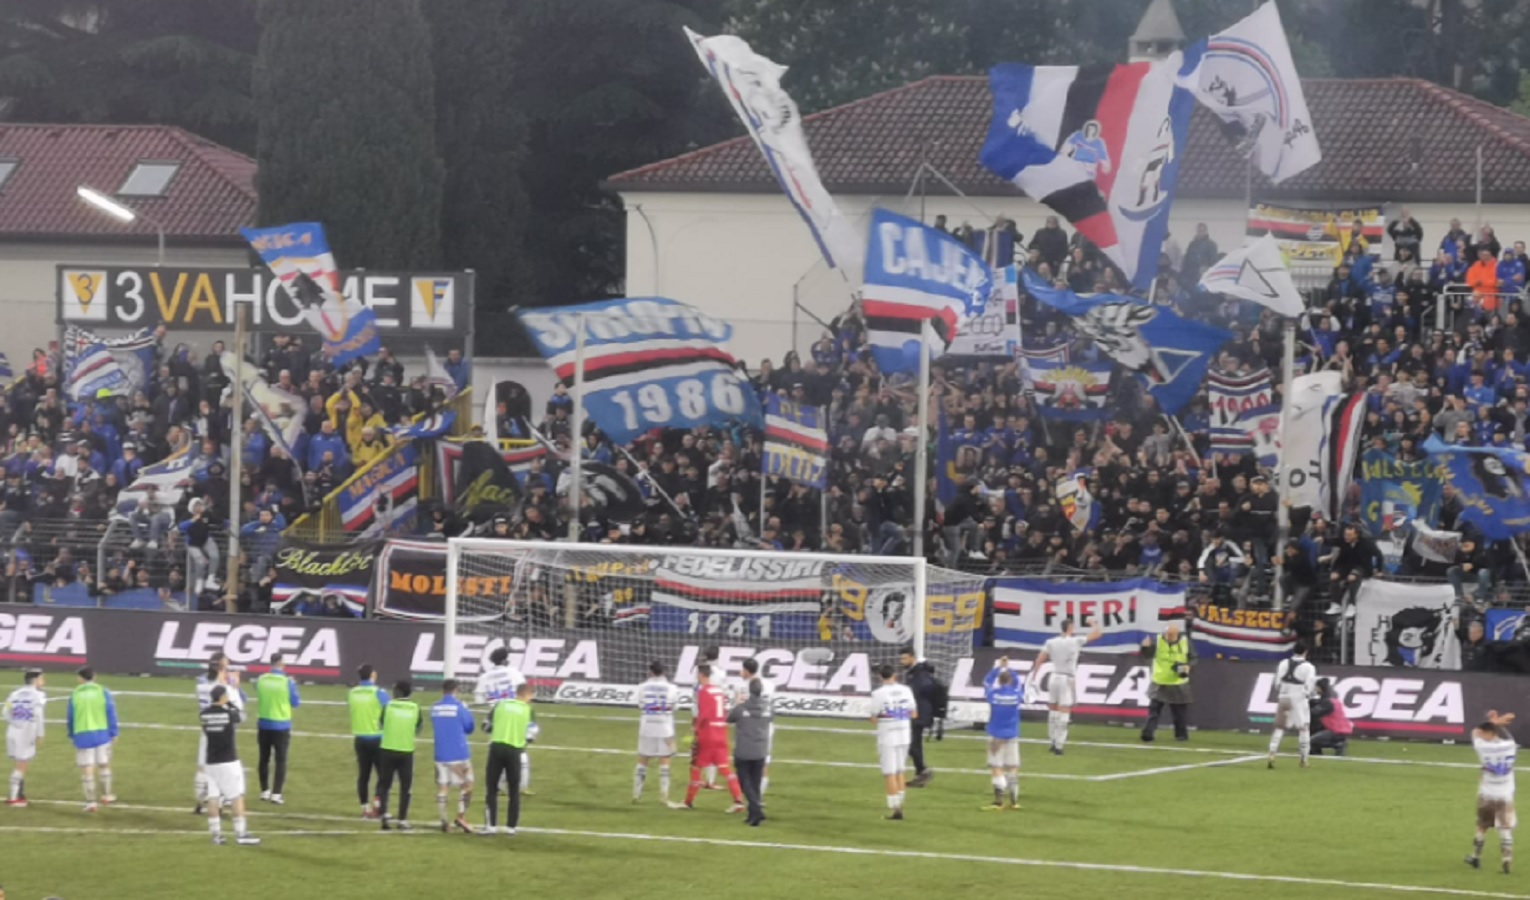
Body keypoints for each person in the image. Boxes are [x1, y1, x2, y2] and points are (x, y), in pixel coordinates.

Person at [1029, 617, 1102, 755]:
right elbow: (1097, 634)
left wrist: (1033, 677)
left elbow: (1039, 659)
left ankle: (1052, 740)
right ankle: (1059, 745)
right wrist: (1093, 623)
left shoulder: (1051, 642)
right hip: (1066, 678)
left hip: (1054, 676)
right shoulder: (1075, 641)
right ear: (1070, 628)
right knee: (1064, 711)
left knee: (1053, 710)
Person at [198, 685, 260, 846]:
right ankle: (241, 834)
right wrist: (231, 703)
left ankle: (216, 836)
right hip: (228, 761)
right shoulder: (229, 713)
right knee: (236, 796)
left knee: (213, 798)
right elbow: (242, 716)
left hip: (210, 761)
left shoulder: (203, 715)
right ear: (223, 697)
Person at [677, 664, 744, 812]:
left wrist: (696, 731)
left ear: (701, 675)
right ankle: (738, 801)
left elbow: (704, 716)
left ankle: (688, 801)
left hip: (708, 735)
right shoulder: (719, 691)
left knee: (695, 767)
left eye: (697, 674)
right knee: (725, 768)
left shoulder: (703, 692)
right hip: (721, 732)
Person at [474, 646, 531, 798]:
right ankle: (520, 786)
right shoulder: (514, 673)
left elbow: (479, 700)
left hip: (496, 716)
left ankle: (498, 785)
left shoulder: (484, 677)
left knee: (497, 751)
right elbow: (524, 692)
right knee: (519, 749)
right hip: (515, 715)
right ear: (505, 660)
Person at [1465, 710, 1517, 874]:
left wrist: (1493, 721)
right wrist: (1498, 723)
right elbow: (1505, 736)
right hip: (1505, 794)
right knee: (1505, 827)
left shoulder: (1481, 746)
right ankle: (1506, 860)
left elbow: (1475, 732)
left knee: (1482, 826)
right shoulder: (1510, 746)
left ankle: (1476, 857)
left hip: (1487, 793)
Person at [194, 654, 244, 815]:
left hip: (207, 729)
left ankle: (199, 802)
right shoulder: (224, 689)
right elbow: (239, 709)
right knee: (222, 767)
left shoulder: (200, 684)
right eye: (226, 667)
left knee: (203, 767)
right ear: (221, 669)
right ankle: (220, 803)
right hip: (223, 731)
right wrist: (235, 687)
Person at [484, 682, 535, 837]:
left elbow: (486, 726)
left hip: (497, 748)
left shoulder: (500, 704)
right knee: (514, 791)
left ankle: (490, 826)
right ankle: (511, 828)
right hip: (514, 751)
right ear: (528, 695)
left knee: (491, 789)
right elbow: (531, 735)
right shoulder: (528, 710)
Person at [67, 666, 118, 812]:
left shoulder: (75, 694)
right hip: (102, 733)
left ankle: (91, 803)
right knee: (104, 763)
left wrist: (71, 734)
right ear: (94, 677)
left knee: (87, 769)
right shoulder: (103, 691)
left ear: (80, 678)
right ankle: (107, 795)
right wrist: (114, 732)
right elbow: (110, 712)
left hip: (83, 734)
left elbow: (70, 717)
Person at [871, 663, 916, 820]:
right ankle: (900, 804)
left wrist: (887, 716)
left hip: (888, 736)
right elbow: (914, 713)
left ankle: (895, 809)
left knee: (889, 772)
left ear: (880, 676)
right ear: (894, 675)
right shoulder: (906, 690)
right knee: (900, 770)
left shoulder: (878, 694)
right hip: (904, 733)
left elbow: (874, 718)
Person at [431, 679, 476, 834]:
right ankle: (460, 817)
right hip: (458, 753)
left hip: (440, 754)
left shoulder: (435, 707)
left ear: (443, 690)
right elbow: (470, 728)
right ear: (456, 690)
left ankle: (444, 820)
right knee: (468, 785)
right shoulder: (459, 708)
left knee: (443, 787)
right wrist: (465, 710)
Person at [375, 680, 421, 832]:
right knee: (405, 787)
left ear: (399, 692)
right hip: (406, 751)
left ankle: (384, 816)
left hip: (387, 749)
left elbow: (381, 723)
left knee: (384, 785)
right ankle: (402, 819)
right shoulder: (415, 708)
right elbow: (418, 728)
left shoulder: (388, 706)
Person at [255, 653, 300, 804]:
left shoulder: (261, 679)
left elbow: (257, 689)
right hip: (281, 725)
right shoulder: (287, 682)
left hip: (263, 723)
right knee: (281, 760)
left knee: (263, 758)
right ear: (281, 663)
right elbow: (295, 703)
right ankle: (276, 794)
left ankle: (264, 791)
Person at [347, 664, 390, 818]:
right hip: (378, 738)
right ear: (372, 675)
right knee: (383, 775)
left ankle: (365, 808)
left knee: (363, 775)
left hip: (360, 739)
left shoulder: (352, 693)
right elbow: (389, 711)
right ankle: (378, 806)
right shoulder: (379, 692)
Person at [726, 678, 771, 827]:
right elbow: (770, 718)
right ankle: (753, 816)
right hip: (760, 750)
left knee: (745, 784)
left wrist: (737, 702)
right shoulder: (768, 707)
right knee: (756, 783)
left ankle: (756, 809)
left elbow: (729, 718)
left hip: (744, 751)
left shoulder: (741, 708)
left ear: (750, 691)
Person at [634, 661, 680, 806]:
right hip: (665, 728)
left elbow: (640, 705)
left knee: (643, 759)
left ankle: (636, 794)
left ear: (650, 672)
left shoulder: (642, 687)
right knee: (665, 761)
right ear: (664, 672)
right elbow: (675, 707)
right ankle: (664, 796)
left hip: (647, 726)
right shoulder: (672, 688)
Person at [1139, 623, 1194, 743]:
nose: (1168, 636)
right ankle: (1147, 734)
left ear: (1177, 634)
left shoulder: (1185, 642)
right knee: (1154, 711)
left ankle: (1181, 736)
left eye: (1171, 635)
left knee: (1179, 713)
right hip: (1160, 681)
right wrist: (1145, 647)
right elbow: (1147, 655)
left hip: (1178, 682)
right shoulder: (1157, 640)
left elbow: (1194, 658)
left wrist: (1188, 667)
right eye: (1167, 634)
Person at [981, 657, 1022, 811]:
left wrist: (999, 668)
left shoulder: (993, 694)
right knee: (1012, 766)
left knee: (996, 766)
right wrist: (1009, 668)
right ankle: (1014, 801)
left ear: (999, 680)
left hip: (996, 735)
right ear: (1010, 680)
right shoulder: (1016, 694)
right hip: (1012, 734)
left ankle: (999, 801)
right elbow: (1018, 682)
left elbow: (986, 681)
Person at [1268, 643, 1317, 768]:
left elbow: (1277, 682)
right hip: (1299, 699)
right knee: (1304, 728)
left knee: (1279, 727)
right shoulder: (1308, 667)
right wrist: (1308, 695)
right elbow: (1310, 685)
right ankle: (1304, 759)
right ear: (1305, 651)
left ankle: (1272, 754)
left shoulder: (1283, 663)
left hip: (1284, 697)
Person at [899, 647, 939, 787]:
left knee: (911, 744)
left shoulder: (920, 673)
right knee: (913, 744)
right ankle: (920, 774)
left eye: (904, 658)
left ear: (912, 657)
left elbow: (922, 691)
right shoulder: (915, 672)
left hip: (919, 713)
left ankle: (922, 770)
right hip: (916, 712)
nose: (902, 661)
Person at [4, 669, 45, 807]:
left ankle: (18, 794)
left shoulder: (14, 694)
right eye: (41, 679)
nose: (43, 681)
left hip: (12, 732)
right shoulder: (38, 695)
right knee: (22, 765)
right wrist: (40, 733)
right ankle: (13, 797)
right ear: (35, 681)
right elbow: (39, 715)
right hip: (26, 733)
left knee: (18, 763)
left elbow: (5, 711)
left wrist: (15, 722)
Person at [1308, 678, 1352, 757]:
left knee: (1310, 741)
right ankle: (1318, 752)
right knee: (1315, 735)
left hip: (1335, 731)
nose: (1316, 689)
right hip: (1342, 729)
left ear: (1321, 688)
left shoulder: (1327, 702)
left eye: (1317, 687)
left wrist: (1305, 707)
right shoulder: (1333, 699)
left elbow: (1315, 713)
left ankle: (1337, 745)